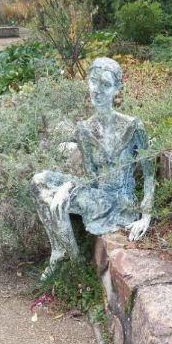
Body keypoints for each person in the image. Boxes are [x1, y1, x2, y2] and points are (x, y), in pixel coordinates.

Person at [31, 57, 154, 279]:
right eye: (93, 82)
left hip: (120, 205)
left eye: (106, 84)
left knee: (63, 197)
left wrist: (145, 217)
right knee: (40, 180)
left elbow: (148, 175)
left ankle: (75, 266)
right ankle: (59, 250)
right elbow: (92, 179)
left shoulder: (133, 126)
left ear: (118, 88)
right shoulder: (85, 130)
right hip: (98, 195)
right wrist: (68, 186)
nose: (97, 90)